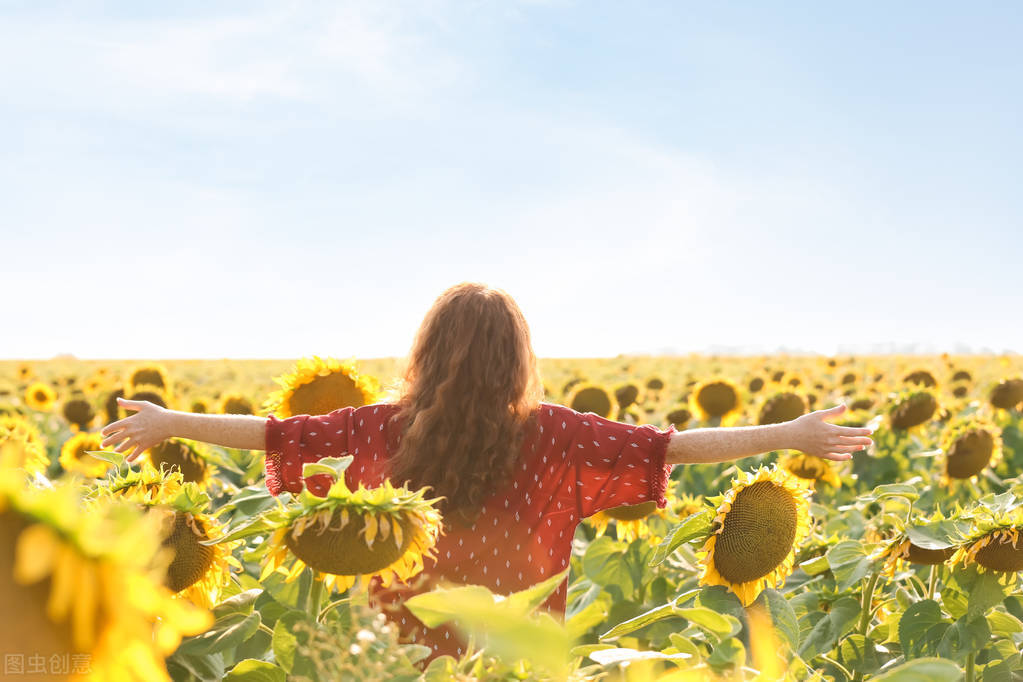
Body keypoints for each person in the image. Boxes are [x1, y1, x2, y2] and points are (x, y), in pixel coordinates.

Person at [100, 282, 873, 659]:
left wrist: (171, 424)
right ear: (519, 358)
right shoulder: (558, 436)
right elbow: (667, 446)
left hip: (397, 661)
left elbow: (274, 433)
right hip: (513, 662)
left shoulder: (377, 426)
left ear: (425, 352)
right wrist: (790, 434)